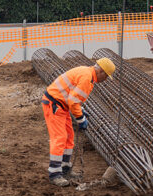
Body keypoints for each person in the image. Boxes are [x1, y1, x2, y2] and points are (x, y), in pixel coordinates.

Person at [41, 57, 115, 187]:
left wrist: (80, 110)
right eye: (107, 76)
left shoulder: (88, 74)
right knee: (60, 137)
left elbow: (73, 97)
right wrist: (81, 119)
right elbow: (73, 101)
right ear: (101, 72)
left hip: (62, 105)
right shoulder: (87, 78)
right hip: (54, 105)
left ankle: (65, 168)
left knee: (69, 136)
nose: (106, 80)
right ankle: (55, 174)